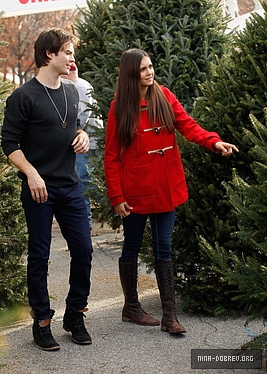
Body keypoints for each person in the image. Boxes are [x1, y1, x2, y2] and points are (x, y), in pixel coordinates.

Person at [104, 48, 239, 335]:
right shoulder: (119, 108)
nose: (149, 72)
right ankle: (131, 307)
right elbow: (111, 155)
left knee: (164, 247)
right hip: (136, 192)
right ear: (131, 73)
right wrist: (116, 196)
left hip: (166, 187)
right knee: (132, 246)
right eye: (143, 69)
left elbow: (187, 125)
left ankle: (169, 316)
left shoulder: (163, 95)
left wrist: (213, 142)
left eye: (151, 66)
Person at [1, 28, 93, 351]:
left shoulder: (71, 92)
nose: (72, 58)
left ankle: (75, 314)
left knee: (84, 249)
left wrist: (81, 136)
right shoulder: (23, 97)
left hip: (70, 187)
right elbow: (9, 143)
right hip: (39, 189)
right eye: (67, 52)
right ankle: (42, 322)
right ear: (49, 55)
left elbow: (72, 126)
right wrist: (31, 174)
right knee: (40, 255)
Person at [61, 62, 102, 231]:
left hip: (88, 143)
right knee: (84, 183)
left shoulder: (80, 87)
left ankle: (86, 225)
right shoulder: (70, 86)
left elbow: (81, 117)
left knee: (84, 184)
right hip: (80, 143)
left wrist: (67, 134)